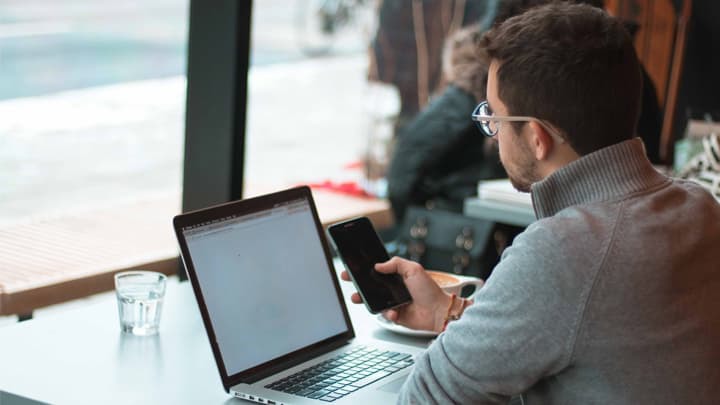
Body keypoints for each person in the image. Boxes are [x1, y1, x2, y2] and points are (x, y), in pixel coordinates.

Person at [342, 3, 720, 403]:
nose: (492, 133)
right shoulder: (700, 208)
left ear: (538, 138)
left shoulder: (563, 250)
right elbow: (584, 326)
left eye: (494, 117)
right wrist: (447, 313)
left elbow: (425, 398)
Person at [386, 24, 506, 222]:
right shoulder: (502, 103)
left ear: (452, 63)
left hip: (455, 219)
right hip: (497, 216)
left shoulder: (455, 103)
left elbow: (400, 177)